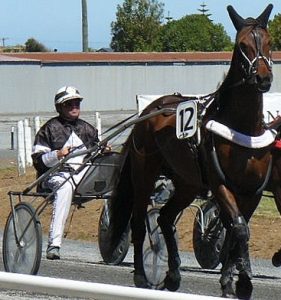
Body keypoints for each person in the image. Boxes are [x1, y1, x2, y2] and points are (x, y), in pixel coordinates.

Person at [32, 86, 99, 260]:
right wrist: (58, 154)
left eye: (77, 102)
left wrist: (103, 150)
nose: (74, 106)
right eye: (69, 103)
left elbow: (97, 156)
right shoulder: (48, 129)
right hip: (54, 177)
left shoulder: (88, 129)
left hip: (83, 176)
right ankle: (54, 244)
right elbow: (38, 161)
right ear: (59, 107)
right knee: (65, 187)